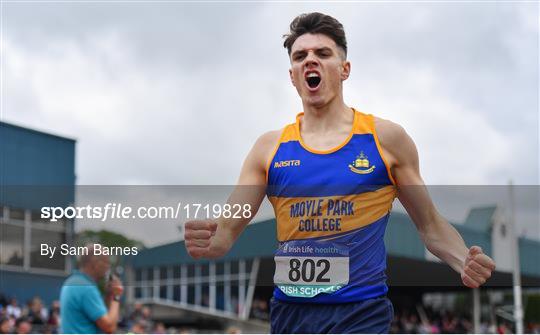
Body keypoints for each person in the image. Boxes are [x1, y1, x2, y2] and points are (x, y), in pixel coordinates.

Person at [184, 12, 496, 333]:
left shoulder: (386, 140)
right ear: (292, 75)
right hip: (291, 315)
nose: (310, 61)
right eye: (300, 56)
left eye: (322, 53)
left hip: (361, 313)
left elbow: (430, 225)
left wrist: (463, 260)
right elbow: (225, 234)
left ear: (344, 69)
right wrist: (207, 239)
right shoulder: (269, 148)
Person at [59, 244, 124, 333]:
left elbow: (101, 315)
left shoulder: (72, 282)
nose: (108, 267)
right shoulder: (86, 288)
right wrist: (116, 296)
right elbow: (109, 327)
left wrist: (109, 295)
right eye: (106, 262)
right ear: (95, 263)